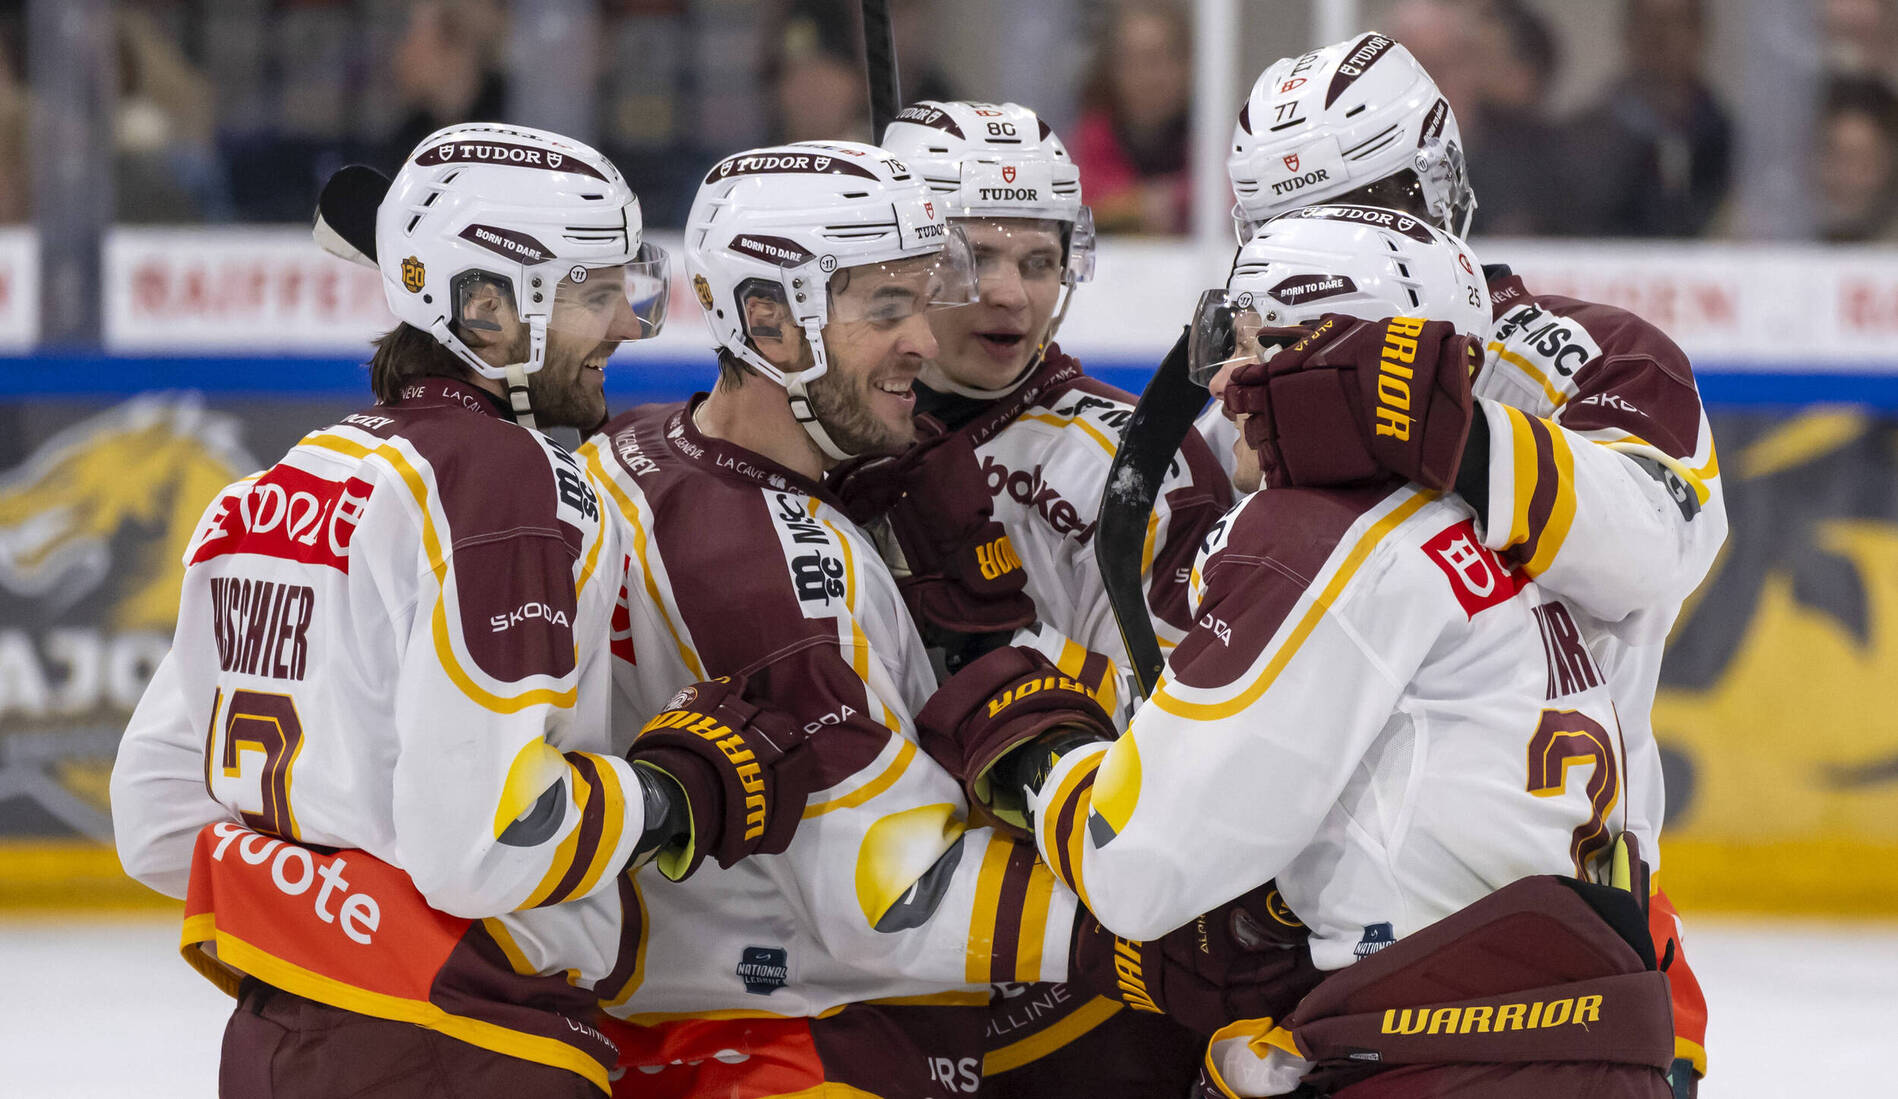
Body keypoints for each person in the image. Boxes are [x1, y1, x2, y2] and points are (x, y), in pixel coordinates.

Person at [110, 123, 820, 1098]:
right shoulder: (505, 480)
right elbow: (485, 847)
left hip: (276, 1038)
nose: (627, 324)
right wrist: (673, 792)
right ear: (485, 308)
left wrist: (330, 906)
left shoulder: (275, 485)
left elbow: (154, 819)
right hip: (460, 1044)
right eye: (591, 293)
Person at [579, 140, 1288, 1098]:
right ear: (771, 322)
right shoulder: (777, 567)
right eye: (886, 308)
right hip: (787, 1041)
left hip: (675, 1019)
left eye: (921, 296)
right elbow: (892, 892)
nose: (924, 336)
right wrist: (1158, 930)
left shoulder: (634, 446)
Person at [925, 205, 1678, 1097]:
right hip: (1566, 1032)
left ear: (1342, 353)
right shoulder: (1479, 527)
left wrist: (1033, 744)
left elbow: (1136, 864)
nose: (1229, 379)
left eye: (1259, 340)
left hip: (1458, 1058)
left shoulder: (1317, 530)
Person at [1220, 33, 1725, 1095]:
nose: (1341, 245)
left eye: (1374, 200)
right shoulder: (1240, 396)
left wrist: (1450, 430)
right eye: (1291, 226)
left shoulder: (1593, 354)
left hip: (1560, 941)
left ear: (1439, 188)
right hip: (1311, 949)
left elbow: (1652, 547)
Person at [877, 98, 1233, 1095]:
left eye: (1037, 261)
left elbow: (1174, 736)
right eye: (972, 258)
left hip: (1065, 977)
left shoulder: (1132, 461)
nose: (1011, 295)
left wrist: (987, 643)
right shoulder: (824, 437)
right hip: (847, 960)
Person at [1071, 0, 1194, 234]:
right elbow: (1072, 207)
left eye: (1157, 59)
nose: (1146, 76)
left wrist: (1175, 201)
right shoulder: (1087, 143)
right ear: (1111, 70)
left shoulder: (1215, 142)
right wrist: (1136, 207)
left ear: (1188, 64)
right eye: (1131, 61)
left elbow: (1231, 197)